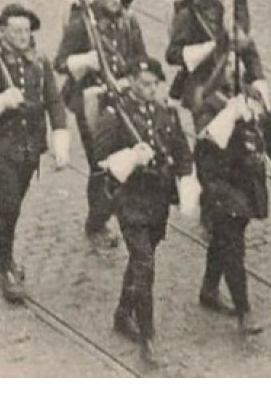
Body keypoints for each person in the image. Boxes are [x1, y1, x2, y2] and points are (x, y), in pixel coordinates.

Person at [0, 3, 72, 303]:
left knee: (14, 204)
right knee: (8, 201)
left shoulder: (40, 62)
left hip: (29, 148)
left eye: (26, 30)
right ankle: (6, 264)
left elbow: (54, 101)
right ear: (3, 32)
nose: (22, 36)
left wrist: (60, 138)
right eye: (15, 30)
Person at [92, 57, 196, 369]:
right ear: (133, 83)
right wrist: (131, 157)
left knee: (143, 258)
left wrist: (186, 178)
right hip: (130, 199)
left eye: (154, 84)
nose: (150, 90)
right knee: (145, 265)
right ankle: (148, 336)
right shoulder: (116, 114)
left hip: (158, 199)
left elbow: (181, 151)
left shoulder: (166, 113)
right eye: (144, 84)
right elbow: (100, 157)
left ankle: (123, 313)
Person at [54, 0, 148, 248]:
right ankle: (97, 222)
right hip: (91, 100)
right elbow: (61, 63)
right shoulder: (82, 24)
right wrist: (87, 61)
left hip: (122, 97)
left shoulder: (130, 23)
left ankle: (114, 210)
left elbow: (140, 57)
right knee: (101, 163)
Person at [193, 78, 271, 337]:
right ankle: (243, 310)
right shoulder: (216, 110)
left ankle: (209, 288)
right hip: (222, 188)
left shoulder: (260, 115)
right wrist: (232, 114)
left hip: (247, 190)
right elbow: (207, 142)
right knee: (234, 249)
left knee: (224, 240)